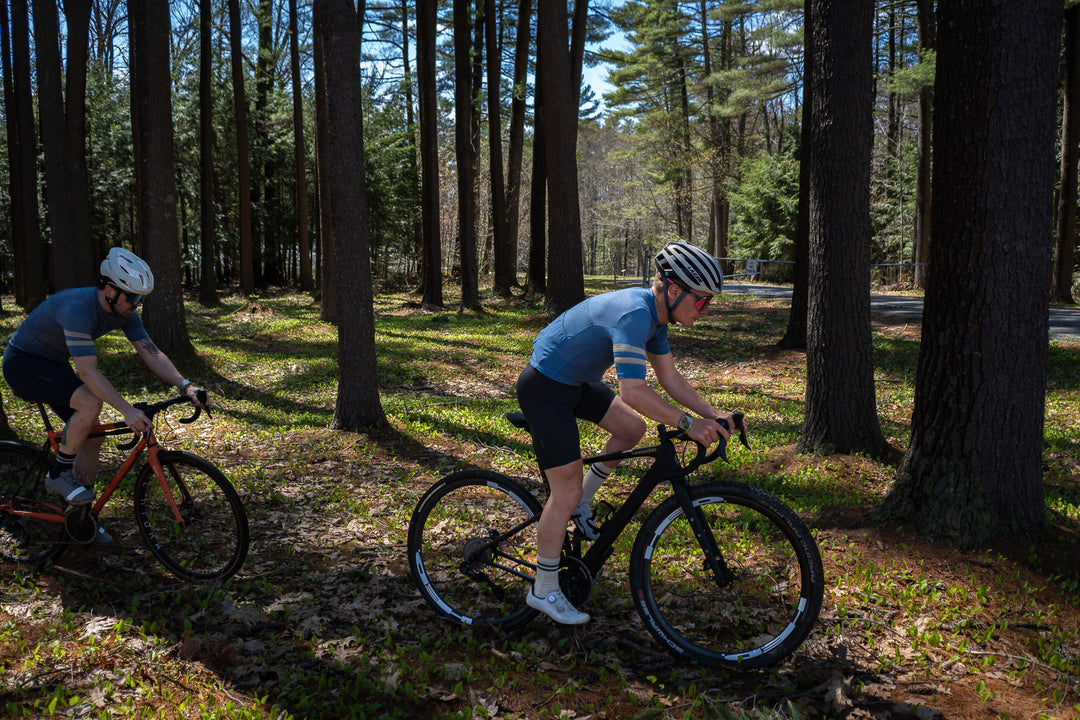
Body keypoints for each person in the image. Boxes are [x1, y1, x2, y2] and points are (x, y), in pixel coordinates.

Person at [516, 241, 737, 625]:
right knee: (562, 491)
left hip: (576, 381)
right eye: (701, 301)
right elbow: (632, 391)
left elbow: (669, 377)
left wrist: (712, 413)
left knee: (631, 429)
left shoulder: (655, 317)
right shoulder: (635, 315)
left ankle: (580, 503)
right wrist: (687, 423)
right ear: (673, 290)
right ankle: (544, 588)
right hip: (545, 386)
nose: (705, 309)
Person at [2, 247, 205, 546]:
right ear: (109, 290)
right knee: (90, 401)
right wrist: (126, 409)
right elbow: (88, 373)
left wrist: (185, 385)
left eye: (140, 299)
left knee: (93, 435)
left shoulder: (123, 311)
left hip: (53, 364)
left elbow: (151, 352)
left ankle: (80, 516)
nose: (136, 305)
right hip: (23, 363)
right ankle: (58, 474)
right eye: (132, 298)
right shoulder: (77, 309)